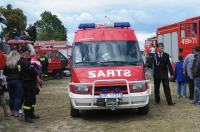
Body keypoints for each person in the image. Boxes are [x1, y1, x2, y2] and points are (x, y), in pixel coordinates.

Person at [18, 46, 39, 123]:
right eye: (28, 52)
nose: (29, 54)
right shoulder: (24, 62)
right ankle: (27, 116)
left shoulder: (21, 61)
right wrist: (36, 71)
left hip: (27, 82)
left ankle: (31, 114)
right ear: (26, 52)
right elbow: (32, 71)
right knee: (28, 100)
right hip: (28, 83)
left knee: (32, 99)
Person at [3, 50, 23, 117]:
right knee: (18, 97)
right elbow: (21, 72)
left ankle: (12, 111)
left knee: (11, 97)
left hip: (9, 81)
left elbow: (4, 73)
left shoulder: (7, 64)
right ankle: (16, 112)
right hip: (18, 81)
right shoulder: (18, 63)